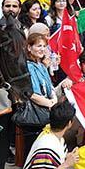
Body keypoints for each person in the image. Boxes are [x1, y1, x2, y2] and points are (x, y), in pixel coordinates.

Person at [17, 101, 79, 169]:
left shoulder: (53, 135)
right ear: (69, 123)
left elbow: (56, 158)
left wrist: (68, 156)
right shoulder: (46, 147)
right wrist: (65, 165)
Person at [23, 31, 58, 159]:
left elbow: (49, 86)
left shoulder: (41, 65)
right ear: (29, 47)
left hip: (47, 106)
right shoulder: (28, 66)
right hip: (35, 113)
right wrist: (50, 103)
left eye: (44, 46)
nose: (42, 49)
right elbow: (32, 94)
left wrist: (54, 98)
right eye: (38, 46)